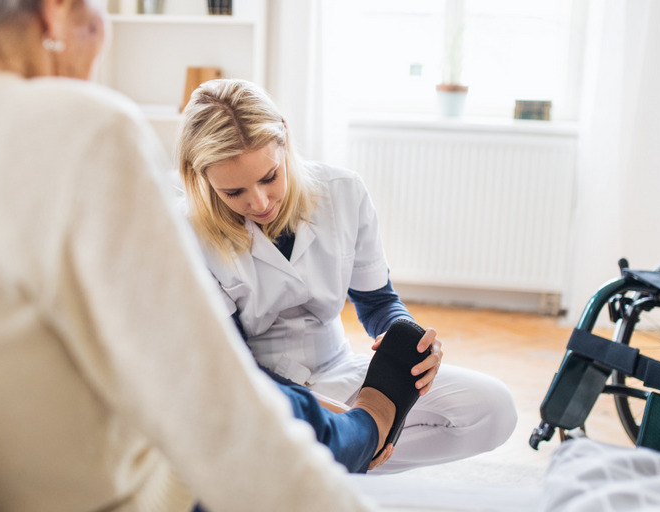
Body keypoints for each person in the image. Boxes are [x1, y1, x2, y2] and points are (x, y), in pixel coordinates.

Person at [0, 1, 420, 511]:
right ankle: (362, 430)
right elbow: (215, 411)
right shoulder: (84, 129)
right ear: (56, 13)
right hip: (119, 494)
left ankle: (351, 425)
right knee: (274, 403)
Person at [178, 78, 519, 473]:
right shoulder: (185, 231)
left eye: (269, 177)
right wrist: (334, 418)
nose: (259, 201)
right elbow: (232, 361)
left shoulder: (343, 192)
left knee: (495, 409)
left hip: (340, 369)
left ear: (284, 141)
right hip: (259, 390)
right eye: (234, 192)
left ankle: (341, 459)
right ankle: (339, 453)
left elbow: (377, 302)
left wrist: (407, 340)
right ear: (202, 178)